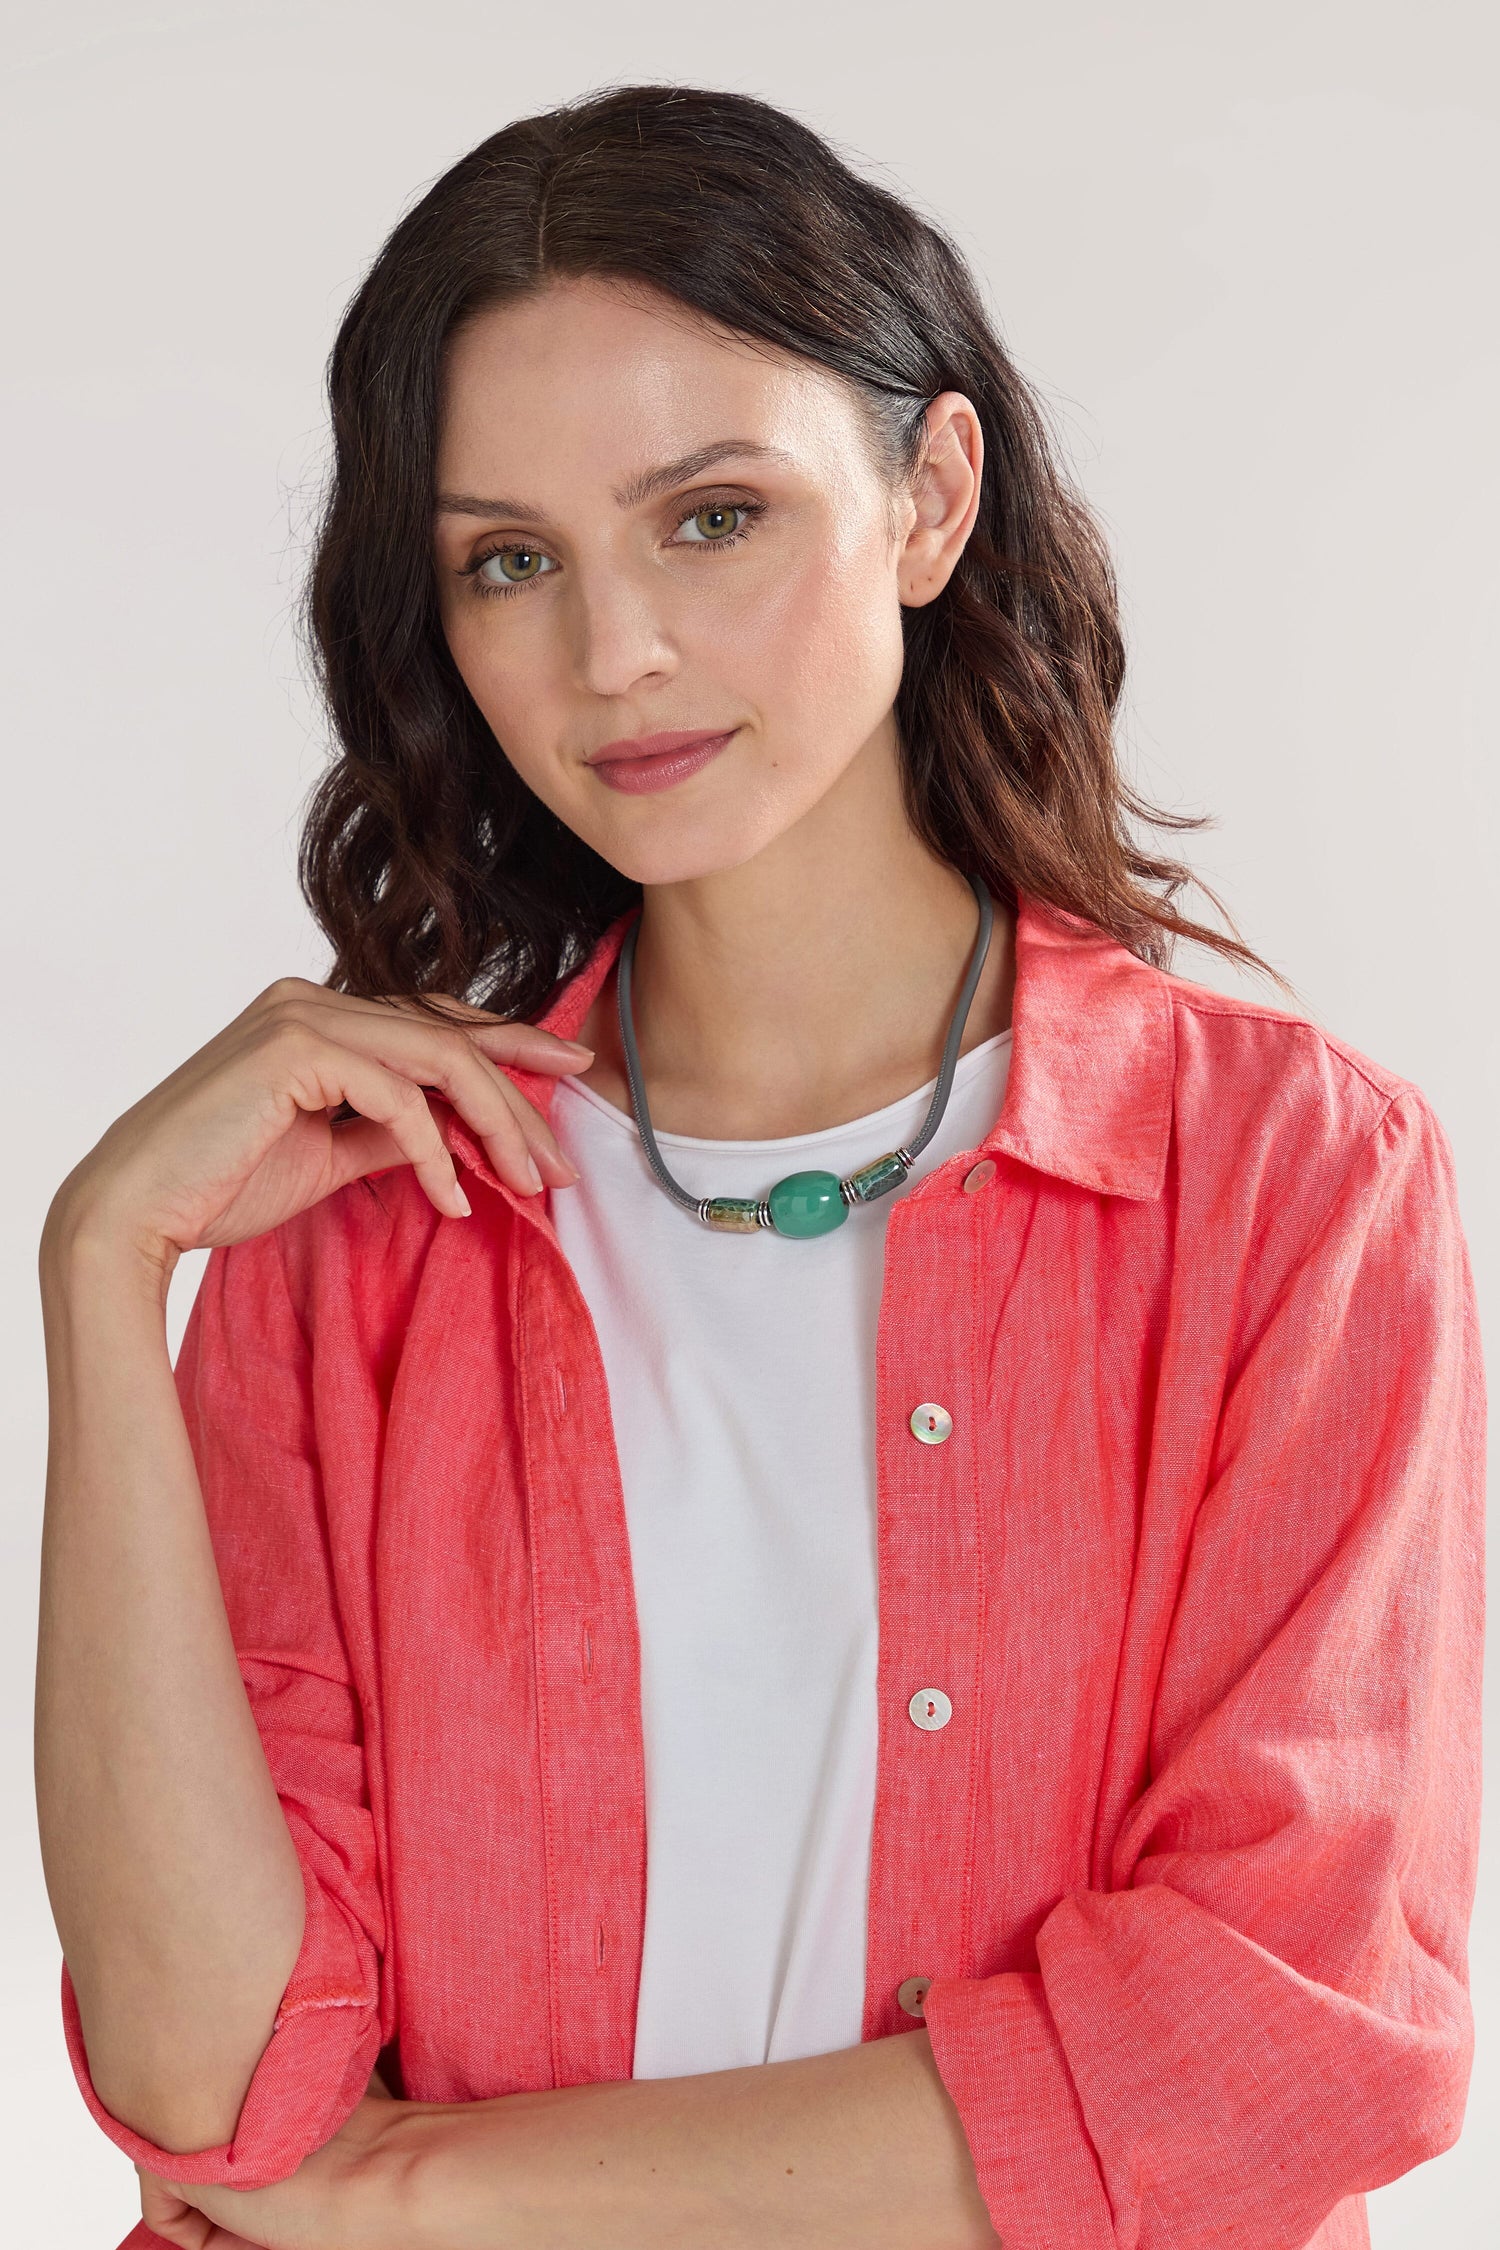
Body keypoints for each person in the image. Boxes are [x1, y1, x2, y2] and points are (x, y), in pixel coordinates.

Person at [36, 82, 1484, 2250]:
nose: (612, 655)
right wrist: (94, 1270)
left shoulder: (1285, 1183)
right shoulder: (360, 1224)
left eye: (711, 517)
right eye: (509, 562)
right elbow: (210, 2088)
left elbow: (1274, 2028)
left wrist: (424, 2197)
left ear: (929, 494)